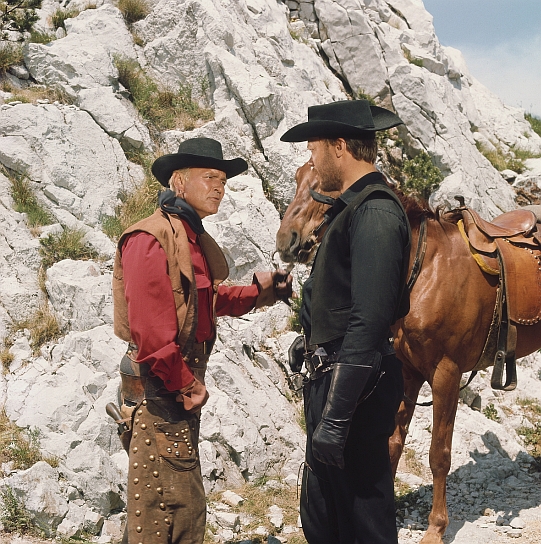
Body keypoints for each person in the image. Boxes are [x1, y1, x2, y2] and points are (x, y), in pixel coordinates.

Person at [112, 137, 293, 544]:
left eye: (223, 181)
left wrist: (262, 292)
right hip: (159, 394)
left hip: (172, 394)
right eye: (210, 177)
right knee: (172, 514)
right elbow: (151, 334)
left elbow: (204, 301)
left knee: (166, 508)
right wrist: (185, 383)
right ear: (179, 183)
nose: (219, 187)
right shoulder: (150, 238)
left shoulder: (187, 235)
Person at [280, 100, 411, 544]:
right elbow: (344, 300)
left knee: (361, 523)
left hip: (354, 391)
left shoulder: (375, 211)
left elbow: (370, 321)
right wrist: (312, 339)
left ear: (339, 146)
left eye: (314, 148)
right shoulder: (352, 208)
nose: (312, 161)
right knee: (325, 516)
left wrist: (336, 417)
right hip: (337, 379)